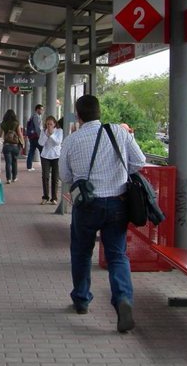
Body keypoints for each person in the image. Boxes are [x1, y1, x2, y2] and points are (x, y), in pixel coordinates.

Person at [60, 94, 145, 333]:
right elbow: (139, 161)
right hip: (117, 202)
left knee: (81, 252)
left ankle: (82, 299)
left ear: (78, 115)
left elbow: (65, 177)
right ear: (99, 112)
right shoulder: (119, 133)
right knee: (117, 255)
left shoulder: (72, 140)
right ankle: (123, 300)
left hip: (86, 205)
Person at [37, 115, 62, 205]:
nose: (49, 126)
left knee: (55, 177)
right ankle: (45, 196)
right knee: (45, 176)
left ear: (54, 124)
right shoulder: (44, 131)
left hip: (56, 155)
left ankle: (54, 198)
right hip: (45, 156)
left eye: (51, 124)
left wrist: (51, 135)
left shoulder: (59, 131)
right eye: (47, 124)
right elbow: (40, 143)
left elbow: (58, 142)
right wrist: (46, 135)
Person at [0, 109, 23, 184]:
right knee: (14, 162)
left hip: (6, 145)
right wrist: (23, 142)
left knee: (8, 163)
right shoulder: (16, 123)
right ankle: (14, 177)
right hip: (15, 145)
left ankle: (8, 178)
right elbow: (19, 134)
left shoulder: (3, 124)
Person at [26, 104, 44, 171]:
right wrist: (40, 136)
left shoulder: (32, 116)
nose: (42, 111)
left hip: (32, 136)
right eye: (41, 109)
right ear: (37, 109)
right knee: (42, 151)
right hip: (36, 137)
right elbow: (38, 128)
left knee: (31, 151)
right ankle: (44, 166)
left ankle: (29, 167)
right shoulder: (36, 116)